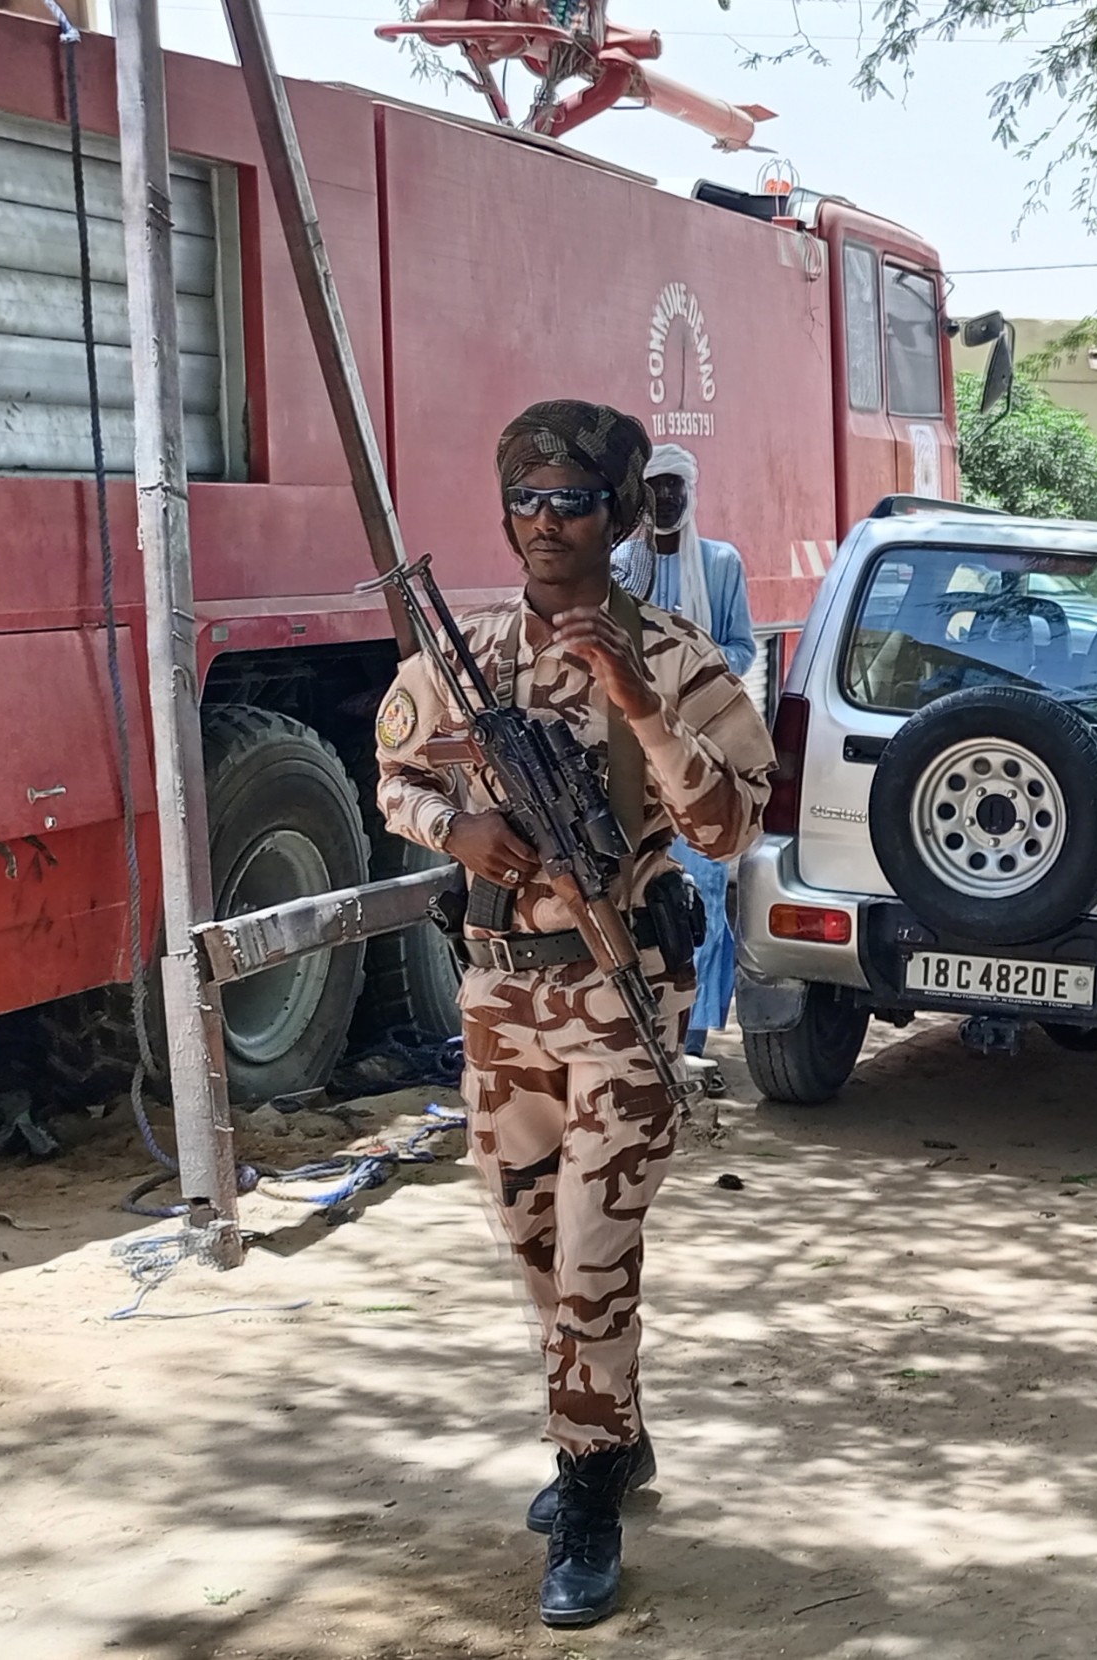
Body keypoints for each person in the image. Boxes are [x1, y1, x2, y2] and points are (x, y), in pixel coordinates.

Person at [375, 401, 773, 1629]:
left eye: (575, 503)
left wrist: (636, 701)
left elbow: (729, 827)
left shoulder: (679, 657)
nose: (550, 524)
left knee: (598, 1245)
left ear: (621, 516)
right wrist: (462, 830)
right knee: (536, 1245)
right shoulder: (463, 651)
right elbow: (391, 775)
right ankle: (614, 1428)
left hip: (621, 993)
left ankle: (586, 1483)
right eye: (529, 503)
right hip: (500, 992)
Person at [612, 443, 759, 1067]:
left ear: (689, 492)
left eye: (675, 487)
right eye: (656, 488)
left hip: (699, 744)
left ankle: (694, 1031)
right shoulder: (621, 564)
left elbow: (742, 647)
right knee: (638, 882)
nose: (666, 498)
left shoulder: (721, 563)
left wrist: (688, 679)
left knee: (702, 887)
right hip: (633, 748)